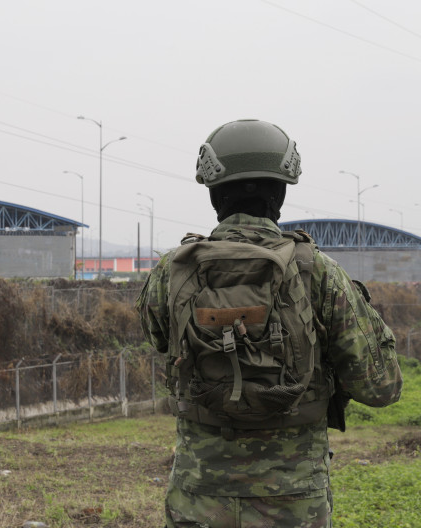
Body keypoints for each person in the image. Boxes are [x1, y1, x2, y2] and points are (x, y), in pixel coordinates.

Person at [136, 119, 402, 527]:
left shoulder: (172, 271)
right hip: (294, 500)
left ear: (213, 195)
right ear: (280, 192)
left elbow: (158, 338)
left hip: (199, 495)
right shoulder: (319, 272)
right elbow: (381, 387)